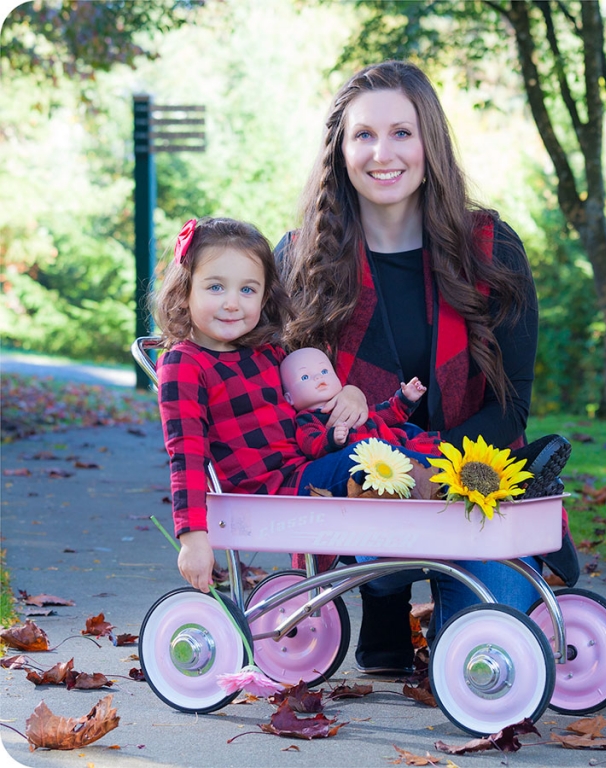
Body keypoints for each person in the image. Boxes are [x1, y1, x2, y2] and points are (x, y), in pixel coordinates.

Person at [276, 60, 577, 674]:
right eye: (363, 134)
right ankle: (382, 596)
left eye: (401, 133)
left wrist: (432, 469)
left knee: (486, 658)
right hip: (366, 486)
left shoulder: (493, 248)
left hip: (476, 482)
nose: (382, 153)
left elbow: (512, 405)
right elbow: (281, 393)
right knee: (372, 512)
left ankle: (448, 599)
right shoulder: (303, 255)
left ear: (429, 141)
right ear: (340, 147)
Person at [152, 216, 438, 593]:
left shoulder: (266, 352)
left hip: (305, 467)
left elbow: (313, 399)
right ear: (185, 290)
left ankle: (464, 475)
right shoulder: (185, 364)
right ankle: (459, 491)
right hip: (266, 494)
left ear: (266, 295)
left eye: (248, 290)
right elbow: (186, 455)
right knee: (374, 455)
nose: (232, 303)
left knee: (404, 433)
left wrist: (350, 393)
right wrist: (192, 538)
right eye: (216, 287)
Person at [280, 346, 441, 458]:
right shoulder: (307, 419)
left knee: (438, 455)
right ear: (289, 398)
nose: (318, 377)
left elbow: (388, 414)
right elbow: (310, 444)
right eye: (305, 377)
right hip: (372, 467)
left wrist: (406, 398)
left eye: (324, 371)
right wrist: (332, 438)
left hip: (400, 449)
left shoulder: (352, 404)